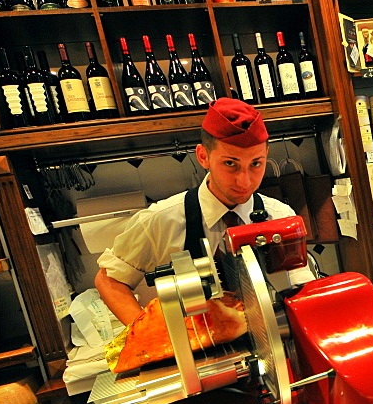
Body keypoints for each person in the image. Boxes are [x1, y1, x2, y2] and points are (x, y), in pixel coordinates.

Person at [95, 98, 314, 325]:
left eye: (256, 164)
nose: (245, 181)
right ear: (203, 156)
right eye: (231, 164)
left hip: (273, 340)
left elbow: (301, 286)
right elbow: (109, 280)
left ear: (267, 154)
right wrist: (146, 333)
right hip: (199, 350)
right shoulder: (161, 220)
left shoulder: (280, 216)